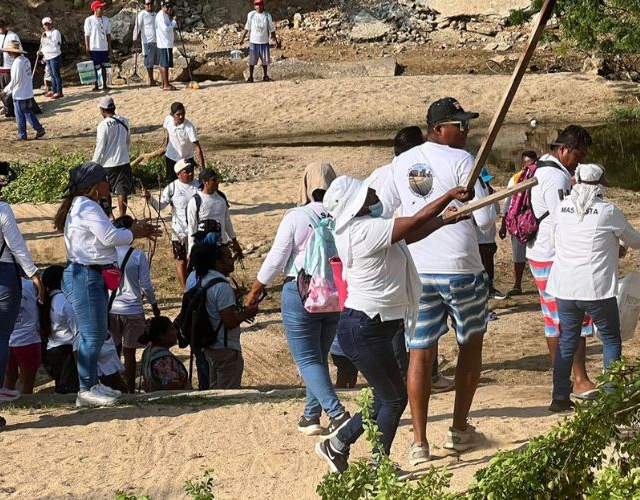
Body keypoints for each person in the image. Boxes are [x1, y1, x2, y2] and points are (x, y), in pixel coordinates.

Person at [314, 175, 473, 473]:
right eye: (367, 192)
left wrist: (444, 221)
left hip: (369, 326)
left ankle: (336, 445)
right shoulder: (363, 229)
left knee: (386, 395)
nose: (374, 191)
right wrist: (448, 196)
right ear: (358, 204)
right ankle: (379, 465)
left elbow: (408, 234)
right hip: (365, 327)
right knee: (393, 398)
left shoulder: (365, 227)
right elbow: (413, 222)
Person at [372, 97, 494, 466]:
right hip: (461, 268)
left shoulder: (401, 162)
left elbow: (383, 211)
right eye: (460, 125)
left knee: (420, 352)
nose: (466, 131)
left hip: (419, 270)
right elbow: (486, 221)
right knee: (470, 345)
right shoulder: (463, 161)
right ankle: (458, 430)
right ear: (438, 128)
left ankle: (419, 442)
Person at [246, 162, 354, 436]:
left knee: (307, 359)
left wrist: (257, 288)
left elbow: (277, 257)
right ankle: (310, 415)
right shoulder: (343, 215)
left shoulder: (297, 216)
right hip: (334, 294)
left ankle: (337, 414)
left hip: (302, 290)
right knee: (318, 356)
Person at [546, 164, 640, 412]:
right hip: (596, 288)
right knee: (611, 339)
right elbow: (634, 240)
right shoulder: (608, 211)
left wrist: (611, 246)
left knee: (567, 341)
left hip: (565, 286)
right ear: (601, 185)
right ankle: (612, 396)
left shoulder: (561, 208)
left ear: (576, 181)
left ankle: (559, 397)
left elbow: (556, 241)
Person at [54, 161, 158, 407]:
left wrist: (130, 230)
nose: (108, 183)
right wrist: (134, 232)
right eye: (104, 179)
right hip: (85, 276)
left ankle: (92, 383)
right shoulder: (87, 206)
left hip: (89, 274)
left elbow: (101, 237)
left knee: (97, 333)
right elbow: (109, 237)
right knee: (92, 335)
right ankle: (85, 388)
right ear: (93, 184)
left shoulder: (82, 205)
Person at [379, 126, 455, 394]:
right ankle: (422, 376)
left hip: (396, 254)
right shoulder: (411, 171)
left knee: (407, 324)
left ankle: (408, 377)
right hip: (413, 255)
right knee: (416, 329)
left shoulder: (383, 173)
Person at [528, 125, 599, 400]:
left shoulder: (542, 169)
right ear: (563, 149)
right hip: (554, 255)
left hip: (540, 253)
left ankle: (563, 381)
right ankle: (579, 380)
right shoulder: (556, 177)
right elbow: (563, 221)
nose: (579, 162)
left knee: (553, 320)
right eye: (578, 155)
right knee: (573, 318)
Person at [0, 168, 44, 405]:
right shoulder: (1, 209)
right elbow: (16, 244)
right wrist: (33, 273)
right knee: (0, 335)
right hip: (1, 273)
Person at [191, 243, 259, 389]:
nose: (233, 260)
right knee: (228, 394)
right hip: (225, 349)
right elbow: (229, 322)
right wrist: (247, 313)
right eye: (228, 257)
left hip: (211, 347)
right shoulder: (222, 286)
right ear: (218, 263)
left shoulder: (204, 280)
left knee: (215, 392)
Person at [109, 217, 160, 393]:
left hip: (112, 308)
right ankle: (130, 391)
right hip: (133, 309)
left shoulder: (108, 254)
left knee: (114, 351)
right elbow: (145, 284)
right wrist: (154, 305)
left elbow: (107, 282)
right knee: (130, 353)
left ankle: (114, 387)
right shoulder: (138, 255)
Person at [144, 158, 202, 289]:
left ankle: (197, 286)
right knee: (181, 261)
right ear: (178, 174)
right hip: (179, 231)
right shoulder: (172, 188)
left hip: (196, 231)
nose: (191, 173)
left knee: (196, 260)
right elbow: (160, 206)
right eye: (187, 171)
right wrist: (149, 198)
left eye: (192, 170)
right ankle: (185, 289)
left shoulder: (199, 186)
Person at [498, 150, 538, 296]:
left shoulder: (540, 177)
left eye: (533, 164)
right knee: (518, 254)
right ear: (522, 164)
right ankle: (517, 284)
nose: (530, 167)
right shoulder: (515, 179)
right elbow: (508, 202)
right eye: (527, 164)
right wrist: (504, 225)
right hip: (518, 221)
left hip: (535, 220)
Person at [138, 102, 206, 182]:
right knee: (171, 183)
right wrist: (165, 144)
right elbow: (165, 129)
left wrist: (203, 169)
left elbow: (197, 148)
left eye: (183, 114)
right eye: (178, 114)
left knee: (187, 183)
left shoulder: (189, 128)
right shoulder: (168, 120)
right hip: (171, 158)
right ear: (172, 115)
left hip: (186, 160)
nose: (181, 117)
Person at [92, 96, 134, 218]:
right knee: (122, 191)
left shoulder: (103, 125)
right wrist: (125, 154)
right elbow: (128, 141)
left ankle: (110, 216)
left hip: (108, 164)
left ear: (103, 110)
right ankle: (122, 216)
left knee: (105, 191)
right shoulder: (124, 121)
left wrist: (94, 163)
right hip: (123, 161)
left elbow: (100, 146)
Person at [40, 265, 80, 394]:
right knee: (69, 390)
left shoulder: (44, 300)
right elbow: (77, 329)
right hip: (67, 352)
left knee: (61, 387)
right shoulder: (65, 301)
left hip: (51, 351)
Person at [185, 168, 239, 258]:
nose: (217, 182)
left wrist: (234, 240)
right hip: (204, 247)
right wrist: (191, 249)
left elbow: (227, 221)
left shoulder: (221, 197)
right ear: (205, 182)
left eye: (217, 179)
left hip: (222, 245)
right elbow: (192, 227)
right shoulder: (195, 201)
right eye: (213, 180)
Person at [0, 41, 45, 141]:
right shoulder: (25, 60)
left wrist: (6, 90)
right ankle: (39, 128)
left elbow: (15, 80)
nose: (8, 53)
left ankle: (22, 135)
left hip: (20, 93)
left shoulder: (17, 63)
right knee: (28, 112)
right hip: (27, 92)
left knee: (20, 115)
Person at [4, 277, 42, 395]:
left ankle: (8, 402)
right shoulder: (32, 286)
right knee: (26, 382)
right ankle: (25, 403)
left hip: (5, 340)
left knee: (8, 380)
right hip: (28, 339)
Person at [475, 167, 505, 314]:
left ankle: (490, 289)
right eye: (484, 182)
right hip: (478, 240)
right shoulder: (474, 197)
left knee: (489, 267)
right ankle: (484, 302)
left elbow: (497, 211)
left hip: (489, 239)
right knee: (481, 272)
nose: (486, 185)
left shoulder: (490, 194)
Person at [138, 316, 190, 391]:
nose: (176, 331)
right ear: (162, 335)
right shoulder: (164, 359)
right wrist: (182, 383)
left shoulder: (148, 351)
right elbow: (171, 387)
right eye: (172, 329)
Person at [240, 0, 280, 82]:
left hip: (264, 41)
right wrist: (242, 38)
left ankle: (265, 76)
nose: (258, 6)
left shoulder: (267, 15)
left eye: (260, 5)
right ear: (254, 6)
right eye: (256, 5)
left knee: (265, 61)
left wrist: (274, 39)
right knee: (252, 61)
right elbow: (247, 27)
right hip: (254, 41)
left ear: (263, 5)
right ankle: (251, 77)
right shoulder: (251, 14)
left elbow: (271, 28)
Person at [84, 1, 113, 92]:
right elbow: (87, 34)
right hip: (94, 47)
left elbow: (108, 33)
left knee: (104, 66)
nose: (102, 9)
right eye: (100, 8)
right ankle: (96, 85)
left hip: (103, 47)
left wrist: (109, 45)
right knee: (95, 67)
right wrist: (87, 46)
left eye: (102, 8)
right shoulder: (89, 20)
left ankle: (104, 85)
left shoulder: (106, 20)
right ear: (95, 9)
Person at [0, 20, 21, 102]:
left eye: (2, 26)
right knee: (1, 89)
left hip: (11, 67)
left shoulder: (13, 36)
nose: (0, 28)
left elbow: (19, 50)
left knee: (12, 88)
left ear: (6, 26)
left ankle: (14, 105)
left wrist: (21, 64)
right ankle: (6, 105)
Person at [133, 0, 158, 86]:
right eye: (147, 4)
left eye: (151, 3)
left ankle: (151, 78)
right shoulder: (142, 14)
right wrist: (134, 38)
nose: (149, 5)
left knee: (154, 61)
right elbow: (137, 27)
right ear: (144, 5)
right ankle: (151, 79)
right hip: (147, 42)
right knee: (149, 61)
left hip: (156, 41)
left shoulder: (155, 14)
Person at [155, 1, 179, 91]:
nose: (169, 8)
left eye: (170, 6)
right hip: (164, 43)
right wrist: (174, 22)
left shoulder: (165, 15)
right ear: (162, 6)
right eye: (167, 6)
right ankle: (166, 85)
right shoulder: (161, 16)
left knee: (163, 64)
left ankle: (164, 83)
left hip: (166, 43)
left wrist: (172, 21)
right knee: (165, 64)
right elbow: (165, 29)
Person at [39, 17, 64, 98]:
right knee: (51, 75)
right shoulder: (44, 34)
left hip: (54, 55)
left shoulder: (55, 32)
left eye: (48, 24)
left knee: (56, 74)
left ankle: (59, 92)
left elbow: (55, 44)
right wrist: (41, 51)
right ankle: (54, 90)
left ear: (51, 24)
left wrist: (47, 37)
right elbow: (44, 45)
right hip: (47, 56)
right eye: (45, 24)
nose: (47, 26)